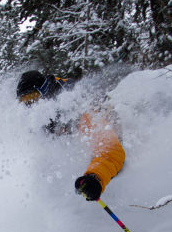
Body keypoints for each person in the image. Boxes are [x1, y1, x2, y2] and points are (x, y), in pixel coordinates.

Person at [16, 70, 125, 201]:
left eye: (33, 97)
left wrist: (95, 177)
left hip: (114, 150)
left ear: (46, 91)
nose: (31, 105)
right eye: (25, 101)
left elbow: (111, 150)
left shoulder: (77, 107)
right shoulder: (41, 118)